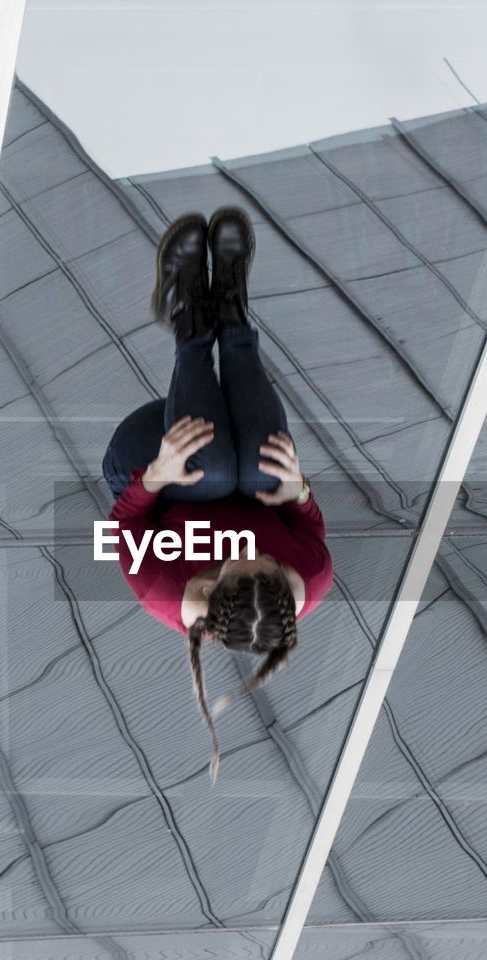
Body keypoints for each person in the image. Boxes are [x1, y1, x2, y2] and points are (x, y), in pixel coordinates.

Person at [103, 207, 334, 778]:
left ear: (210, 592)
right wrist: (298, 488)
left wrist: (156, 474)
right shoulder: (314, 577)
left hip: (159, 453)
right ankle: (231, 309)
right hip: (236, 438)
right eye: (265, 562)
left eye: (226, 567)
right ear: (286, 583)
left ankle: (189, 316)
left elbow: (120, 530)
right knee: (260, 472)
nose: (239, 552)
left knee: (213, 473)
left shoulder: (164, 592)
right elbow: (305, 523)